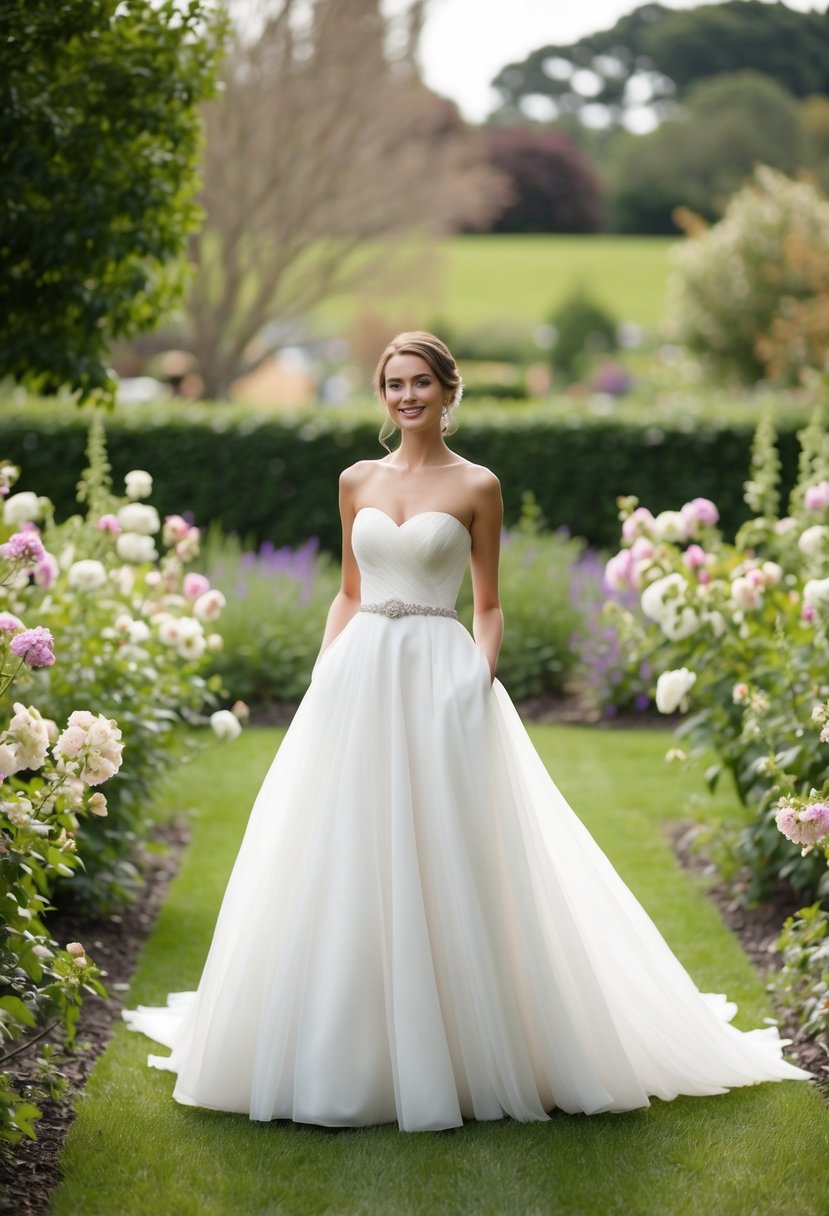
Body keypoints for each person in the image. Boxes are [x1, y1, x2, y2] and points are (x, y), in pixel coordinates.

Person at [124, 331, 811, 1132]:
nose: (406, 395)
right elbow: (348, 592)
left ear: (448, 391)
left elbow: (486, 607)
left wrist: (475, 677)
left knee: (450, 851)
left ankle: (465, 1040)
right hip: (356, 677)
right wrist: (325, 665)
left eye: (419, 382)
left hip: (440, 674)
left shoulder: (478, 485)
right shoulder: (354, 481)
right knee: (341, 849)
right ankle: (339, 1044)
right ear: (381, 394)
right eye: (392, 383)